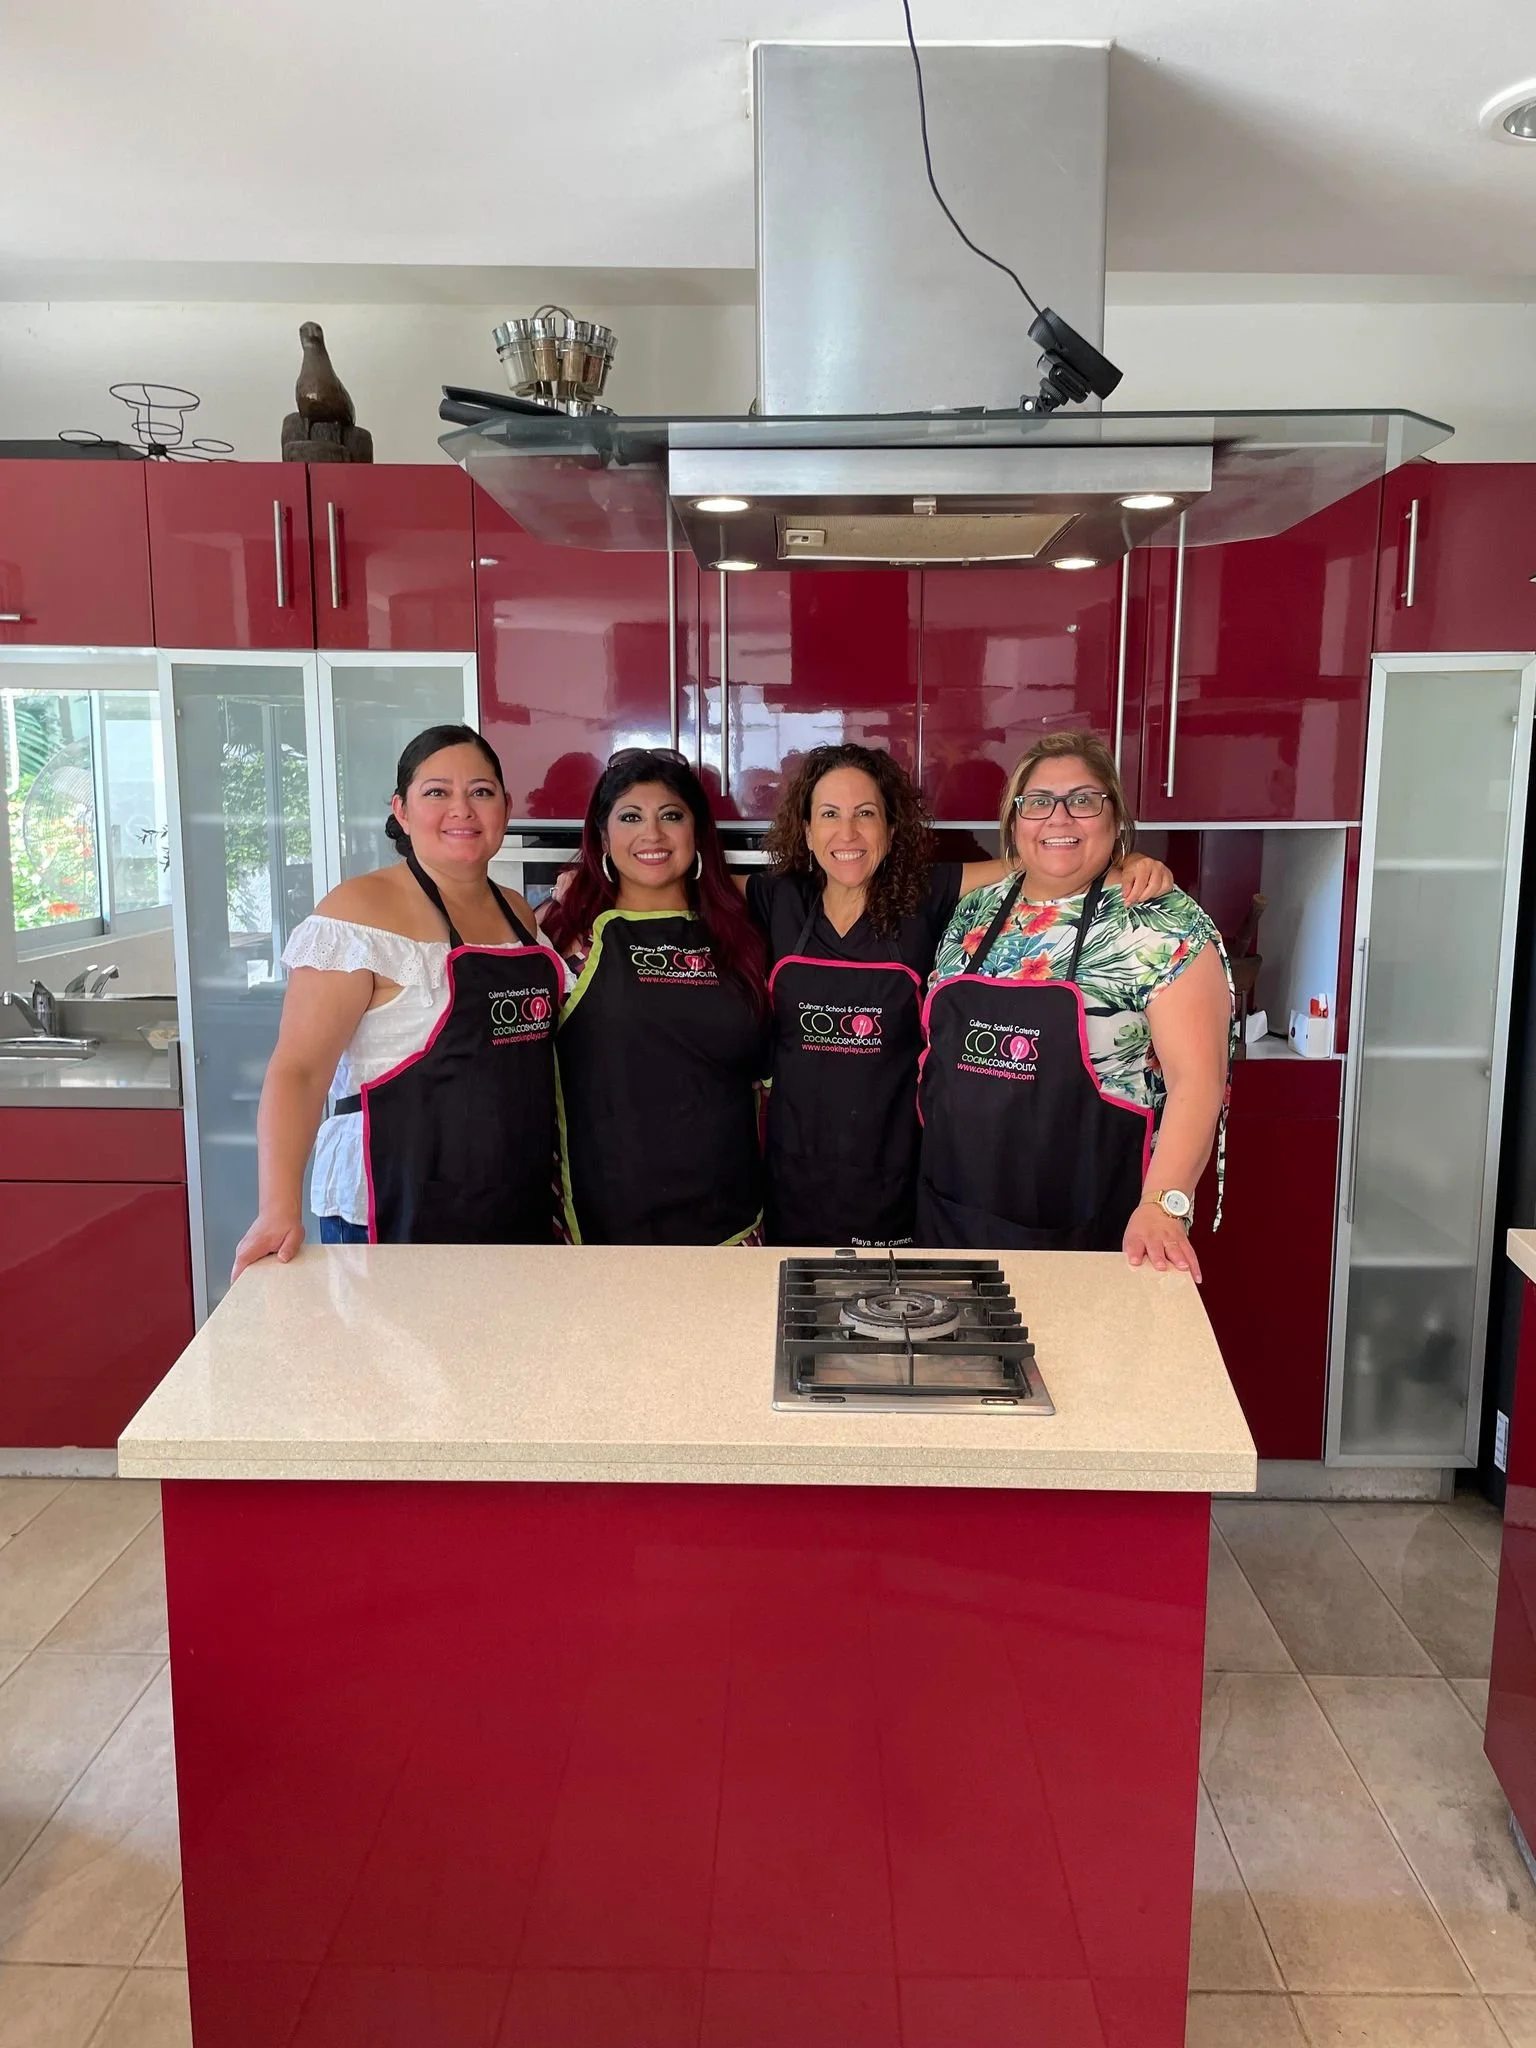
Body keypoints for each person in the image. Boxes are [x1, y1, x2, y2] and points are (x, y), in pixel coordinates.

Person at [747, 742, 1173, 1247]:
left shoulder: (928, 893)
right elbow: (678, 883)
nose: (848, 833)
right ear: (807, 829)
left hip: (897, 1172)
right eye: (829, 814)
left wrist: (1128, 860)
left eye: (866, 813)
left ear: (891, 826)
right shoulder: (777, 898)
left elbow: (1042, 863)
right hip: (794, 1172)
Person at [231, 725, 562, 1275]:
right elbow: (299, 1071)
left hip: (507, 1196)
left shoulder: (517, 913)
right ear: (402, 811)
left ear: (504, 808)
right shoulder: (358, 911)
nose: (462, 809)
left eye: (480, 792)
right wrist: (277, 1207)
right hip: (393, 1200)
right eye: (437, 792)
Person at [918, 729, 1231, 1273]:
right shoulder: (976, 911)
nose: (1058, 819)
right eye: (1038, 803)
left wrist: (1163, 1208)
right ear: (1015, 822)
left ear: (1115, 820)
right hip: (954, 1214)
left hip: (1089, 1226)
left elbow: (1198, 1081)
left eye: (1083, 801)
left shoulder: (1161, 923)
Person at [541, 748, 769, 1245]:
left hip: (732, 1228)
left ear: (696, 833)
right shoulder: (560, 938)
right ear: (604, 837)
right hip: (600, 1232)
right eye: (630, 817)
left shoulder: (745, 936)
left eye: (671, 816)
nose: (652, 835)